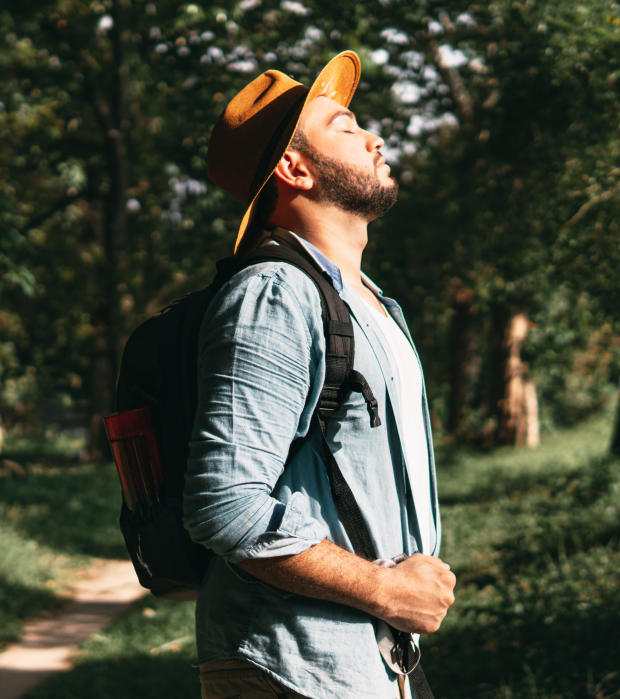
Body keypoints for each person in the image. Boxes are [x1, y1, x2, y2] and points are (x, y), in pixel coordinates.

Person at [183, 50, 456, 698]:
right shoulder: (276, 295)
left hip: (362, 665)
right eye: (345, 127)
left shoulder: (371, 301)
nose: (375, 137)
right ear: (294, 167)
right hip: (290, 668)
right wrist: (387, 588)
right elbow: (224, 503)